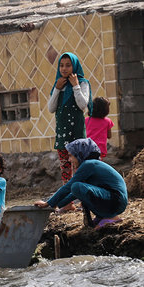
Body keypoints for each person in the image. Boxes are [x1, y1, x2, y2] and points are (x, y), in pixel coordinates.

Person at [34, 138, 127, 228]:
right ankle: (102, 216)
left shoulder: (88, 164)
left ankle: (111, 217)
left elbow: (69, 187)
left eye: (71, 155)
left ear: (80, 154)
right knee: (77, 188)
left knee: (76, 186)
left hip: (116, 200)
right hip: (114, 200)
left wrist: (48, 203)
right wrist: (56, 205)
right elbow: (74, 193)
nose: (69, 160)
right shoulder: (90, 165)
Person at [48, 52, 92, 185]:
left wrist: (75, 86)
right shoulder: (58, 84)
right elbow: (51, 108)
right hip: (62, 136)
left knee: (80, 168)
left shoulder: (82, 83)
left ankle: (84, 199)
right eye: (61, 65)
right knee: (65, 170)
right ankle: (68, 203)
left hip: (77, 134)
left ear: (75, 66)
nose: (64, 69)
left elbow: (83, 105)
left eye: (68, 65)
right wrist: (57, 89)